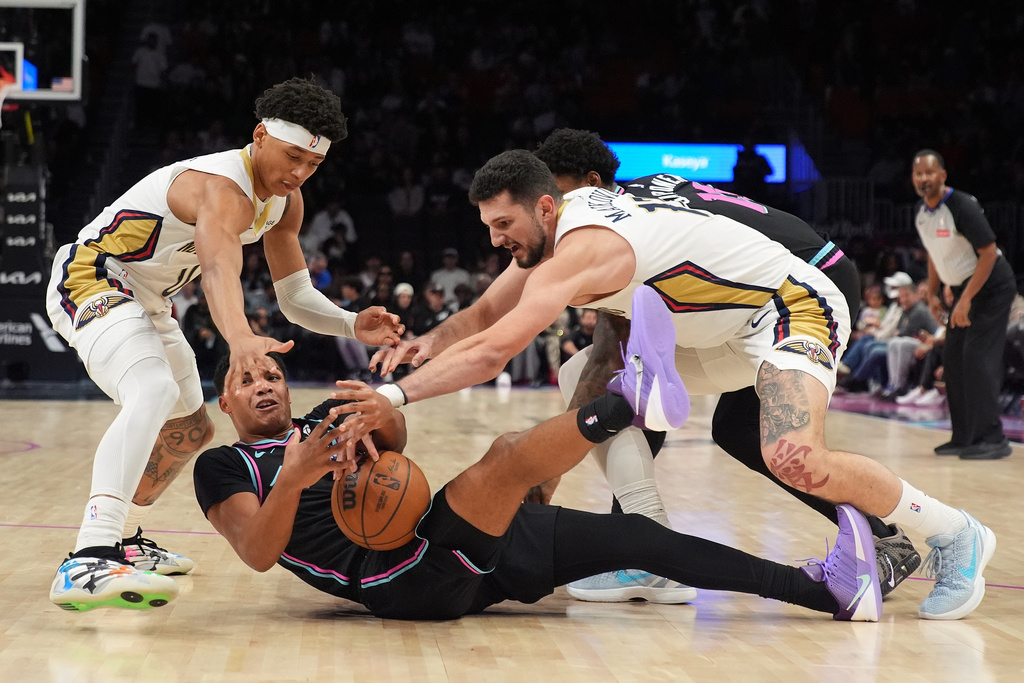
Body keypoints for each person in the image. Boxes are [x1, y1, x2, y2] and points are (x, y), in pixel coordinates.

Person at [357, 148, 994, 621]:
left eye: (503, 226)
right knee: (590, 374)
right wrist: (427, 343)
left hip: (791, 304)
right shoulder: (563, 229)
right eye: (488, 229)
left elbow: (495, 351)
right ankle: (645, 540)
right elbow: (483, 315)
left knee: (791, 454)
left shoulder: (582, 249)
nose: (496, 241)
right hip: (723, 326)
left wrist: (392, 395)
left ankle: (954, 532)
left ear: (546, 206)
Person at [193, 290, 884, 622]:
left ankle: (825, 588)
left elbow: (398, 460)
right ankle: (624, 399)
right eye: (247, 379)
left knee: (639, 537)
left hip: (432, 533)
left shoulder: (325, 419)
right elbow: (256, 549)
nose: (262, 384)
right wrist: (294, 475)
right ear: (225, 401)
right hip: (395, 577)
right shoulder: (225, 467)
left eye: (270, 375)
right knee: (503, 456)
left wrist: (382, 418)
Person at [45, 77, 403, 612]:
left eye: (313, 164)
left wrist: (352, 324)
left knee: (191, 429)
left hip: (148, 299)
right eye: (292, 157)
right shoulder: (220, 187)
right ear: (259, 136)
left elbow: (296, 295)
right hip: (93, 277)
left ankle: (117, 535)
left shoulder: (286, 201)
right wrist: (240, 339)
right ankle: (89, 554)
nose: (300, 173)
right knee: (152, 389)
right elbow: (217, 268)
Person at [532, 128, 916, 604]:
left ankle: (646, 551)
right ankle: (642, 546)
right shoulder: (647, 193)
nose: (549, 209)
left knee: (714, 418)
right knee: (650, 385)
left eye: (556, 191)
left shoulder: (616, 229)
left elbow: (601, 363)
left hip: (801, 289)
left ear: (592, 182)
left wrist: (542, 472)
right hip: (802, 277)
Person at [911, 150, 1017, 460]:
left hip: (991, 288)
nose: (924, 179)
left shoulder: (962, 205)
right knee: (954, 360)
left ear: (942, 175)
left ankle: (993, 438)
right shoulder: (921, 213)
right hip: (960, 291)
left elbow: (988, 252)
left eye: (929, 173)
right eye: (918, 174)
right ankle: (964, 437)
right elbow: (935, 253)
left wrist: (966, 298)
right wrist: (932, 294)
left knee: (976, 358)